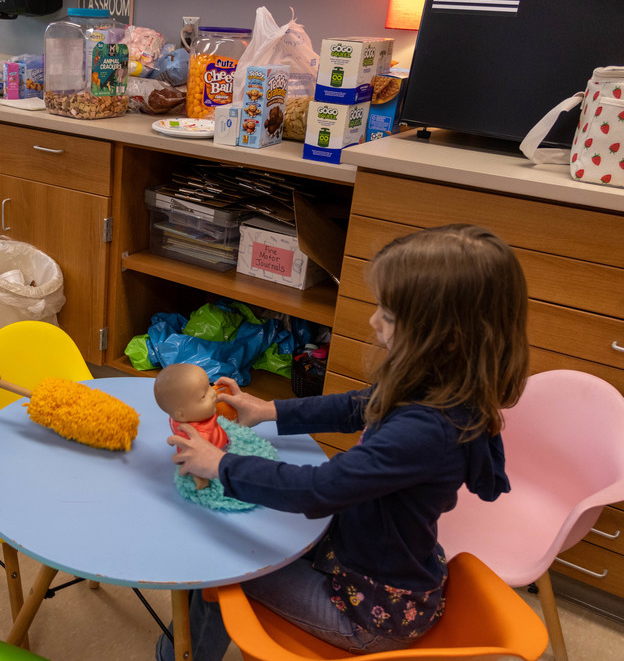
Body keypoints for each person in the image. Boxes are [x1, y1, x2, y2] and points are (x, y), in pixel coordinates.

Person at [157, 224, 530, 659]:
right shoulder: (443, 385)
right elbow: (357, 405)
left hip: (369, 611)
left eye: (388, 315)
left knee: (218, 561)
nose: (373, 321)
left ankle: (179, 657)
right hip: (367, 561)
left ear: (443, 339)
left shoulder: (425, 431)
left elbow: (319, 489)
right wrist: (270, 410)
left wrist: (219, 464)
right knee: (240, 529)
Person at [153, 363, 231, 489]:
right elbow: (195, 459)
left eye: (209, 386)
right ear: (182, 415)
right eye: (203, 396)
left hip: (221, 440)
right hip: (219, 452)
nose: (213, 393)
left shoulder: (185, 417)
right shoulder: (198, 436)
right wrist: (200, 476)